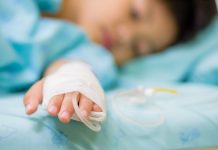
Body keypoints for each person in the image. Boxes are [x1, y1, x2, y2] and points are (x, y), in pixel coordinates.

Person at [0, 0, 217, 125]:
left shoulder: (88, 53)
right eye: (136, 14)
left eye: (139, 47)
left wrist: (71, 80)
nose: (126, 36)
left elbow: (74, 69)